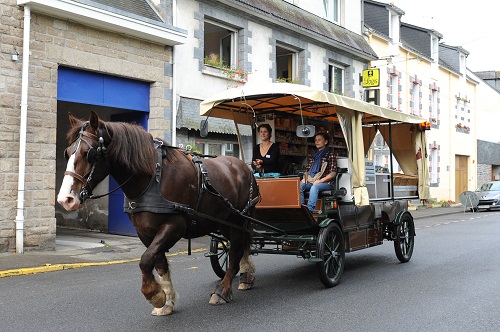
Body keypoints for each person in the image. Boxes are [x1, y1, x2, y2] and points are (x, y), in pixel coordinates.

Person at [300, 132, 337, 213]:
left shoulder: (330, 154)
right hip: (312, 180)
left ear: (326, 142)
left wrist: (320, 181)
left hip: (326, 183)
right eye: (316, 140)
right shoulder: (314, 154)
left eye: (319, 140)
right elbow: (307, 169)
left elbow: (333, 173)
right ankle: (302, 209)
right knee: (299, 185)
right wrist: (305, 178)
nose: (317, 142)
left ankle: (309, 210)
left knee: (314, 187)